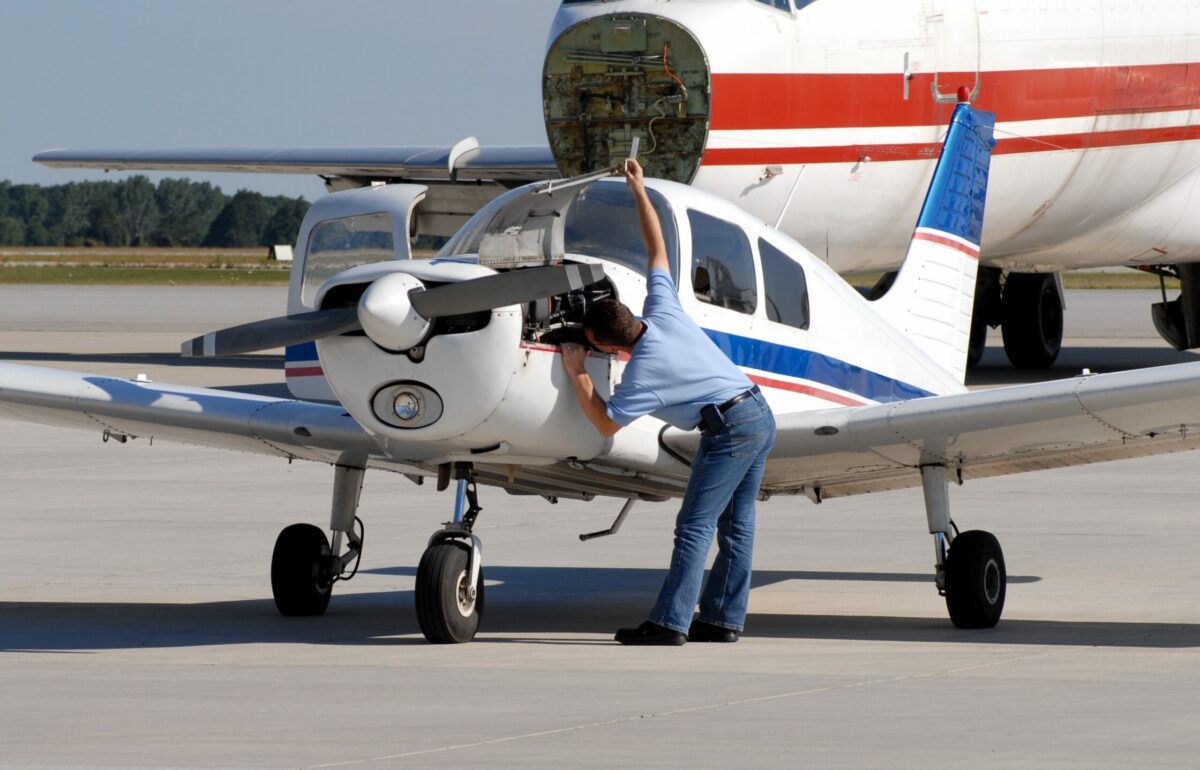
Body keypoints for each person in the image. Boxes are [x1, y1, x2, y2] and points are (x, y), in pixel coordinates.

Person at [560, 159, 777, 645]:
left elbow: (605, 424)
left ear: (610, 347)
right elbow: (656, 245)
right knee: (736, 527)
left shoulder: (642, 376)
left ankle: (670, 622)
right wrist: (638, 187)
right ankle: (721, 620)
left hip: (731, 428)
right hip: (759, 415)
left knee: (694, 525)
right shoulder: (662, 308)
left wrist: (577, 373)